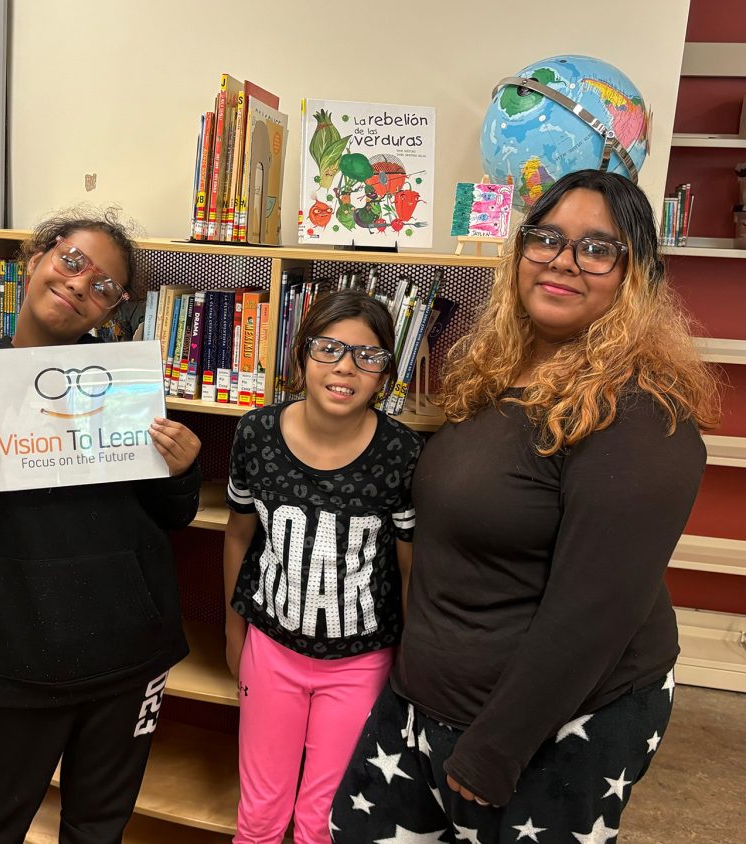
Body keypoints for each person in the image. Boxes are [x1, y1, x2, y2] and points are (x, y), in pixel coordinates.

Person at [330, 170, 721, 842]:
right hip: (426, 700)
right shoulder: (497, 371)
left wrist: (496, 750)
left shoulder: (641, 415)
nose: (564, 261)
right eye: (547, 239)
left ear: (637, 277)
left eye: (598, 248)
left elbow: (593, 615)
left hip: (548, 726)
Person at [0, 210, 203, 843]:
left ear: (111, 311)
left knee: (98, 829)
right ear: (36, 258)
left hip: (131, 655)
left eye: (104, 286)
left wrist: (182, 471)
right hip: (24, 654)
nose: (78, 285)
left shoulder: (125, 381)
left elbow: (172, 517)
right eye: (71, 261)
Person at [223, 290, 422, 844]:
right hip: (271, 649)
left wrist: (406, 663)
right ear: (301, 355)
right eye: (329, 348)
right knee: (260, 817)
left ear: (385, 372)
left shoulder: (403, 453)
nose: (345, 367)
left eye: (368, 355)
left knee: (324, 822)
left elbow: (410, 569)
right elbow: (239, 535)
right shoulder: (256, 434)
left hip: (360, 662)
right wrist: (232, 629)